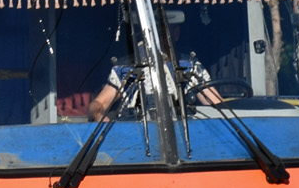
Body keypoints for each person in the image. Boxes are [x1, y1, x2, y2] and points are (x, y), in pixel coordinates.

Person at [88, 8, 223, 120]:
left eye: (161, 33)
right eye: (149, 34)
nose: (155, 40)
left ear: (175, 34)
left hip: (182, 138)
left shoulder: (189, 66)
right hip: (135, 140)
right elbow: (99, 104)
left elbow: (216, 104)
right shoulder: (126, 68)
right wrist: (101, 118)